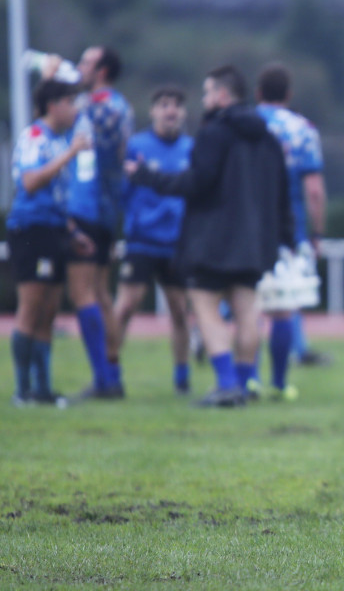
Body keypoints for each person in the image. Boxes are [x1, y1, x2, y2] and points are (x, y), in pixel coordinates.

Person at [126, 65, 293, 408]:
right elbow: (282, 193)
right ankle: (246, 385)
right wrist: (285, 237)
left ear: (220, 95)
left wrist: (147, 177)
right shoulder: (268, 138)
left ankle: (227, 384)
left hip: (214, 240)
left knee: (204, 305)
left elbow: (196, 182)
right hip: (255, 242)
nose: (204, 100)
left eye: (206, 93)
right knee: (247, 311)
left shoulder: (214, 132)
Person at [48, 46, 135, 400]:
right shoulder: (122, 106)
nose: (78, 67)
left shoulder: (96, 106)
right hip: (107, 209)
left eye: (85, 62)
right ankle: (112, 372)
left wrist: (52, 82)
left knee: (83, 293)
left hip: (85, 207)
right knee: (100, 293)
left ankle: (104, 379)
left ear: (101, 71)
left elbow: (56, 113)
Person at [7, 80, 95, 407]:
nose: (75, 110)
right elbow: (30, 182)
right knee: (30, 307)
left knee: (49, 310)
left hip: (55, 229)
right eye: (70, 102)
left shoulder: (58, 141)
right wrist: (70, 153)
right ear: (53, 105)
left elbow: (56, 196)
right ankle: (22, 389)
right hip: (32, 229)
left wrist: (72, 232)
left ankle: (43, 389)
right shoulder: (35, 138)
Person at [108, 85, 194, 394]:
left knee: (180, 311)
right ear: (153, 111)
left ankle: (182, 378)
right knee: (126, 306)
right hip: (142, 240)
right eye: (164, 105)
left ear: (183, 113)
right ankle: (111, 373)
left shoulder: (191, 148)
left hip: (176, 243)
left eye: (176, 105)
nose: (171, 111)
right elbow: (122, 193)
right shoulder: (136, 146)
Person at [255, 63, 329, 398]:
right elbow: (313, 189)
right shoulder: (302, 130)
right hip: (289, 230)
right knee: (283, 305)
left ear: (257, 93)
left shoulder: (246, 124)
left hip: (246, 229)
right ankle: (280, 383)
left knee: (248, 307)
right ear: (288, 94)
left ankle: (246, 377)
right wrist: (317, 233)